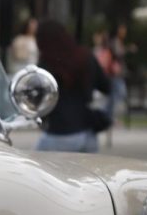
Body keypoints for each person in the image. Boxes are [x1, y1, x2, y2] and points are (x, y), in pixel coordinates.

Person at [35, 21, 110, 153]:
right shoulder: (86, 57)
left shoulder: (46, 64)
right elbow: (106, 86)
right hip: (87, 130)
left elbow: (38, 101)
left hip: (58, 131)